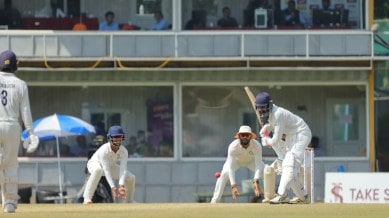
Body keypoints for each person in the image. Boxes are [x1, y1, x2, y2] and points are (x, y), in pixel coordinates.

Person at [255, 92, 312, 204]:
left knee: (289, 164)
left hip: (301, 133)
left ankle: (282, 195)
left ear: (269, 105)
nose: (261, 111)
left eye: (263, 107)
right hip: (292, 137)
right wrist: (267, 128)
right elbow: (274, 125)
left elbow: (277, 138)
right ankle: (303, 197)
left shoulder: (278, 113)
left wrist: (267, 141)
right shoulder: (272, 115)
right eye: (259, 108)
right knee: (291, 168)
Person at [0, 50, 39, 212]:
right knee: (10, 164)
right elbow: (26, 111)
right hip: (12, 127)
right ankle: (9, 202)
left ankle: (7, 201)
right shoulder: (21, 84)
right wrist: (31, 133)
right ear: (15, 65)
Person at [210, 125, 264, 203]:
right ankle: (215, 200)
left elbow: (259, 164)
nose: (245, 137)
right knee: (224, 174)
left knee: (267, 171)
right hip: (236, 162)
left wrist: (256, 181)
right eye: (242, 135)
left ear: (251, 136)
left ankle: (269, 197)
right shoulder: (233, 147)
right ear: (239, 136)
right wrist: (233, 186)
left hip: (251, 162)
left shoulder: (257, 146)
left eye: (247, 135)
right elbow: (231, 168)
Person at [82, 125, 136, 204]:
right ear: (110, 138)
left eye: (120, 137)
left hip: (111, 167)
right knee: (98, 170)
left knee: (131, 177)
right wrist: (113, 187)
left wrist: (121, 186)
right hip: (95, 164)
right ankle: (87, 199)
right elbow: (106, 170)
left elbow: (123, 169)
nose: (118, 140)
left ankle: (129, 201)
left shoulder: (124, 151)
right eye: (115, 137)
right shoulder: (104, 150)